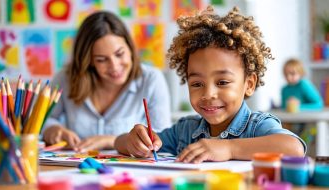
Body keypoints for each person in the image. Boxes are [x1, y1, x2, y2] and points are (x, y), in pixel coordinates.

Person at [114, 6, 306, 163]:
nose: (208, 94)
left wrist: (229, 148)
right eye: (197, 83)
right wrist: (133, 141)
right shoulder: (186, 130)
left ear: (249, 84)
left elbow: (294, 148)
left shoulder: (257, 126)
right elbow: (119, 143)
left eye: (222, 82)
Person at [42, 11, 171, 152]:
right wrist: (53, 130)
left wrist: (110, 141)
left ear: (130, 48)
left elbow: (164, 137)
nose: (114, 66)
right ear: (89, 60)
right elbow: (42, 120)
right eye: (101, 59)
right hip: (78, 168)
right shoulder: (65, 79)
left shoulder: (151, 79)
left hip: (128, 171)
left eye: (119, 54)